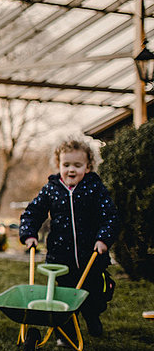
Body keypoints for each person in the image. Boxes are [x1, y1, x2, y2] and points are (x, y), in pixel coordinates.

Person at [19, 137, 119, 338]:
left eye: (77, 165)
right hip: (61, 257)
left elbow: (110, 216)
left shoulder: (94, 189)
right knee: (63, 296)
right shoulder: (52, 189)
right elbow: (33, 212)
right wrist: (29, 234)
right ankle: (66, 335)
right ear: (59, 165)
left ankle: (93, 318)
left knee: (93, 297)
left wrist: (103, 239)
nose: (71, 170)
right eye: (66, 165)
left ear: (88, 167)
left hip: (91, 256)